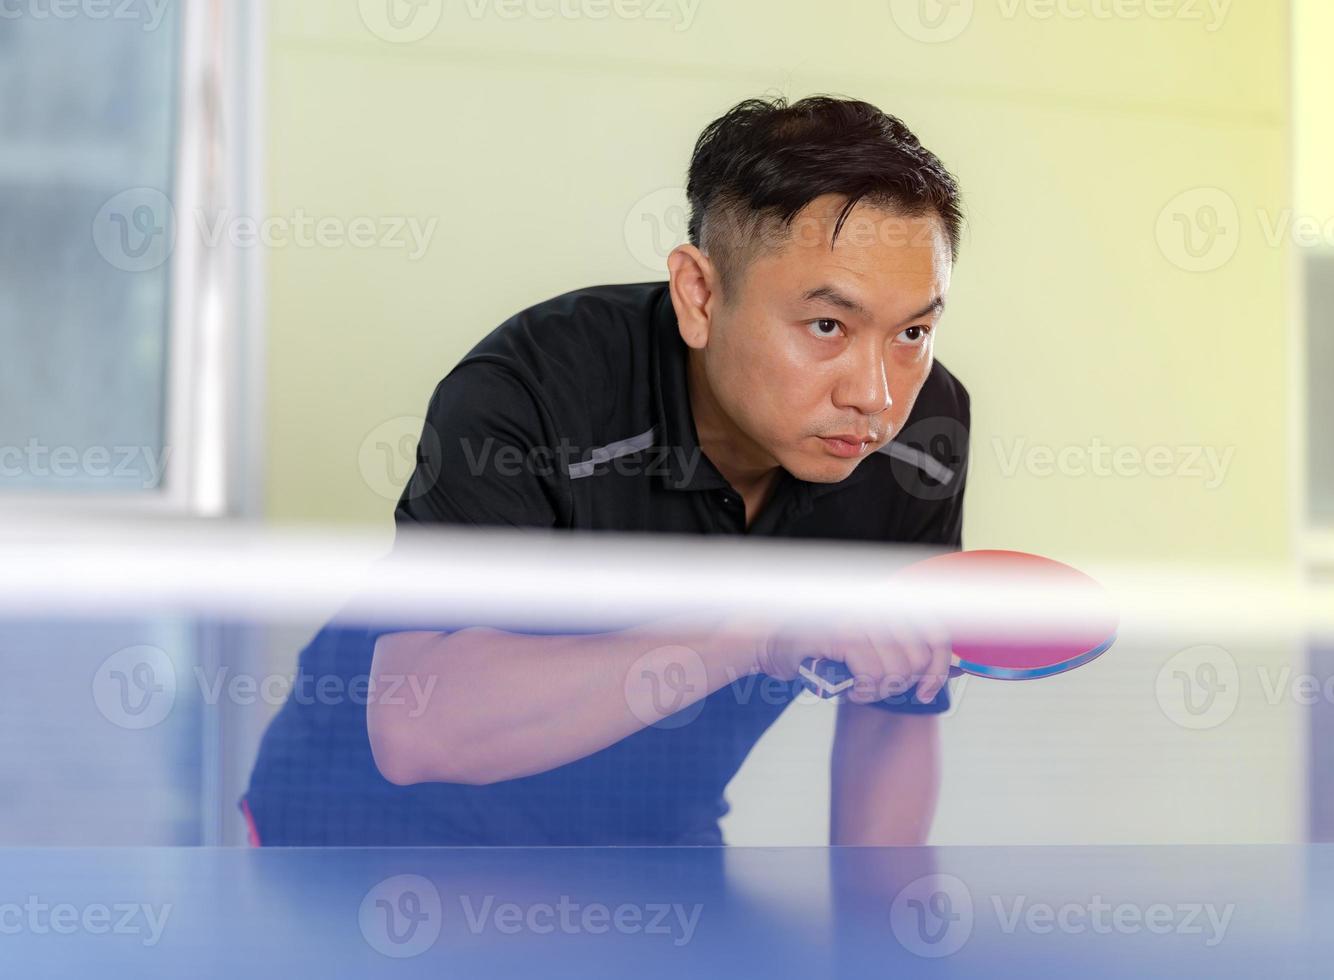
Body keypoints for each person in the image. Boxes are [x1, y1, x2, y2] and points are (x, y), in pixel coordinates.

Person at [243, 95, 971, 846]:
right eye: (828, 325)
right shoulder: (531, 387)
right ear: (699, 294)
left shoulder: (923, 433)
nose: (875, 395)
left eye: (914, 331)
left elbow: (894, 713)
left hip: (646, 838)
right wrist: (760, 629)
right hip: (372, 838)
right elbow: (417, 731)